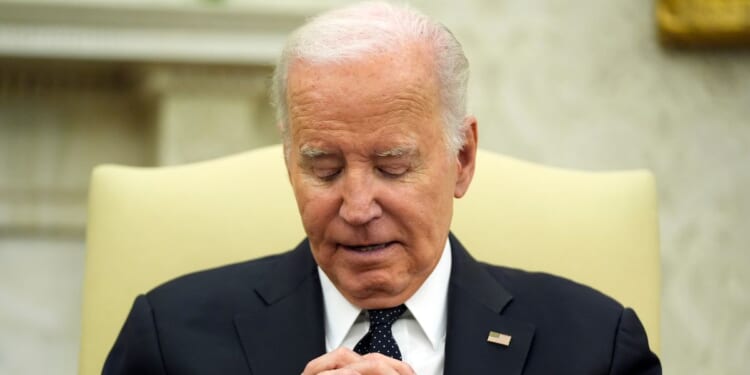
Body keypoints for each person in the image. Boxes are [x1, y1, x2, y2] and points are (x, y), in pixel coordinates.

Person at [104, 2, 661, 374]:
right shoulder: (169, 339)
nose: (357, 206)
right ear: (288, 162)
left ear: (462, 159)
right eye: (323, 168)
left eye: (393, 166)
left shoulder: (595, 347)